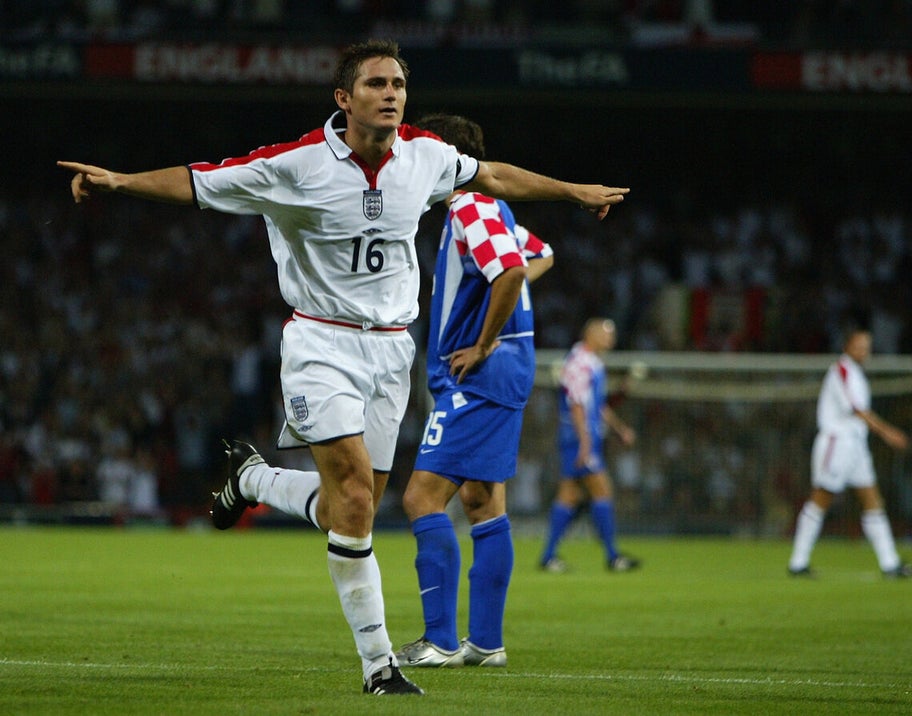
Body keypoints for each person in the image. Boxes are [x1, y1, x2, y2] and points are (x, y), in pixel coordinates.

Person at [58, 39, 628, 696]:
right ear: (343, 98)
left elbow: (493, 176)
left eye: (398, 84)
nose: (391, 94)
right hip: (321, 345)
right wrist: (122, 181)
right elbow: (198, 180)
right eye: (377, 84)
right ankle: (379, 665)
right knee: (357, 499)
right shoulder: (296, 164)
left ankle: (256, 481)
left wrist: (573, 191)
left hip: (391, 350)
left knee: (346, 508)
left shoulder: (426, 156)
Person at [390, 114, 553, 670]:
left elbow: (509, 272)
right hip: (504, 371)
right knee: (482, 502)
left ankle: (439, 641)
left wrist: (485, 341)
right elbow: (540, 253)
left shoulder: (469, 205)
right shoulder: (495, 209)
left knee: (420, 498)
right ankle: (485, 644)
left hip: (481, 375)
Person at [787, 327, 912, 579]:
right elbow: (857, 409)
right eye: (859, 346)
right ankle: (798, 562)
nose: (863, 351)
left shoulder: (856, 373)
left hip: (856, 445)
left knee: (873, 500)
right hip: (838, 442)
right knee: (822, 497)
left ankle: (890, 564)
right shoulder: (842, 370)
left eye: (867, 347)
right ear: (847, 346)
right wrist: (887, 432)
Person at [539, 318, 640, 573]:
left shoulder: (593, 362)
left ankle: (549, 556)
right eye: (606, 335)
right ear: (590, 335)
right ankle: (613, 556)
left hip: (582, 436)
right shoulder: (579, 362)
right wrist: (585, 442)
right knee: (601, 491)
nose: (611, 340)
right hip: (578, 437)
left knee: (569, 495)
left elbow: (597, 405)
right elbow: (576, 405)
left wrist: (619, 429)